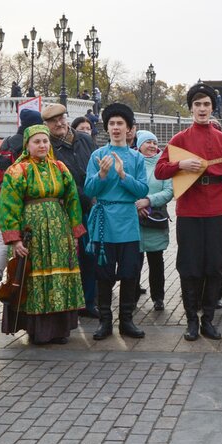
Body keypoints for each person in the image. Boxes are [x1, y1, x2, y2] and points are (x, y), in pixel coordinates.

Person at [155, 83, 222, 341]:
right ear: (191, 108)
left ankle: (208, 320)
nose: (202, 109)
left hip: (216, 210)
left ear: (212, 108)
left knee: (215, 266)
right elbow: (160, 171)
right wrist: (180, 163)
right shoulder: (180, 139)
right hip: (189, 211)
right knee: (189, 266)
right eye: (197, 105)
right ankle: (191, 320)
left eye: (206, 104)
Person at [0, 124, 86, 344]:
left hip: (59, 232)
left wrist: (74, 231)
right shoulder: (18, 170)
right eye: (37, 141)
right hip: (32, 233)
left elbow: (73, 200)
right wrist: (15, 239)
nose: (42, 145)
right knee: (34, 276)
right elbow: (8, 205)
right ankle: (38, 330)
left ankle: (59, 330)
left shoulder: (60, 168)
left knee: (59, 274)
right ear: (27, 145)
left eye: (45, 141)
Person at [85, 103, 149, 340]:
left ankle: (127, 320)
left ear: (130, 128)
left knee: (130, 272)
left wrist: (123, 175)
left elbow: (141, 190)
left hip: (128, 221)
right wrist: (101, 175)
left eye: (120, 123)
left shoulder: (136, 158)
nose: (115, 127)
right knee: (103, 274)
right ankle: (105, 321)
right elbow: (89, 189)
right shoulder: (97, 155)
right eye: (111, 123)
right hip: (103, 221)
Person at [42, 103, 98, 318]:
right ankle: (71, 303)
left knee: (90, 256)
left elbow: (94, 165)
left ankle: (89, 301)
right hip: (64, 209)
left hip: (89, 206)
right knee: (69, 258)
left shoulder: (84, 139)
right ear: (46, 125)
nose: (59, 123)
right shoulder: (49, 147)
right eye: (53, 121)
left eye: (61, 118)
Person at [0, 109, 44, 302]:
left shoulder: (8, 142)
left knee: (3, 239)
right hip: (31, 202)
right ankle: (19, 284)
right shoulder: (36, 142)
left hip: (7, 198)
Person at [135, 130, 173, 311]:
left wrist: (148, 201)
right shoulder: (132, 162)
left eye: (154, 142)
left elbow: (168, 191)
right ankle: (132, 295)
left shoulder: (164, 164)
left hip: (155, 218)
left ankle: (158, 297)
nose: (151, 145)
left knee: (156, 261)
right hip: (134, 218)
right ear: (139, 145)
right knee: (134, 261)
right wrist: (137, 205)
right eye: (147, 142)